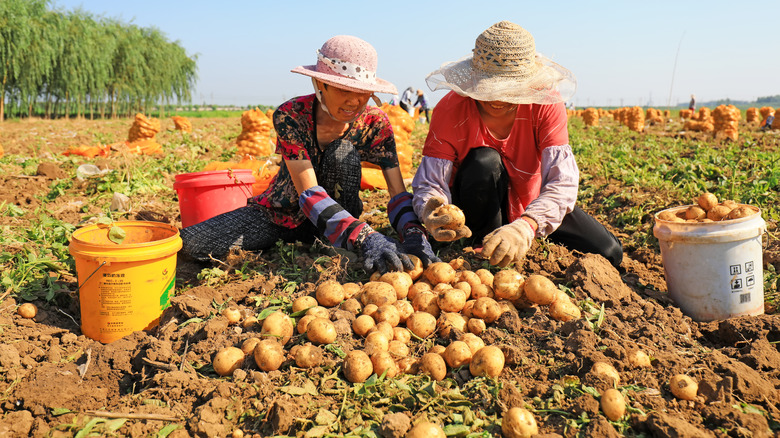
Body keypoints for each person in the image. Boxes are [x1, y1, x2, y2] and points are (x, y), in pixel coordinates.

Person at [180, 35, 439, 274]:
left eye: (362, 93)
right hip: (281, 216)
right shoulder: (291, 115)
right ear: (319, 84)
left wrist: (414, 234)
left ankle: (335, 242)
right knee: (192, 243)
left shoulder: (375, 123)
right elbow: (309, 193)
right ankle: (336, 239)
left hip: (342, 221)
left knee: (342, 152)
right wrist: (367, 237)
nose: (354, 101)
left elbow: (397, 193)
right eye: (343, 89)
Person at [411, 21, 623, 268]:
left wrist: (526, 225)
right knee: (484, 161)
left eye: (511, 89)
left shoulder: (545, 104)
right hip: (476, 205)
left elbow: (561, 181)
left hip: (531, 201)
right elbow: (431, 183)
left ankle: (515, 232)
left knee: (609, 252)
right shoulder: (450, 109)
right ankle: (482, 245)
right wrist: (433, 211)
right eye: (490, 88)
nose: (499, 99)